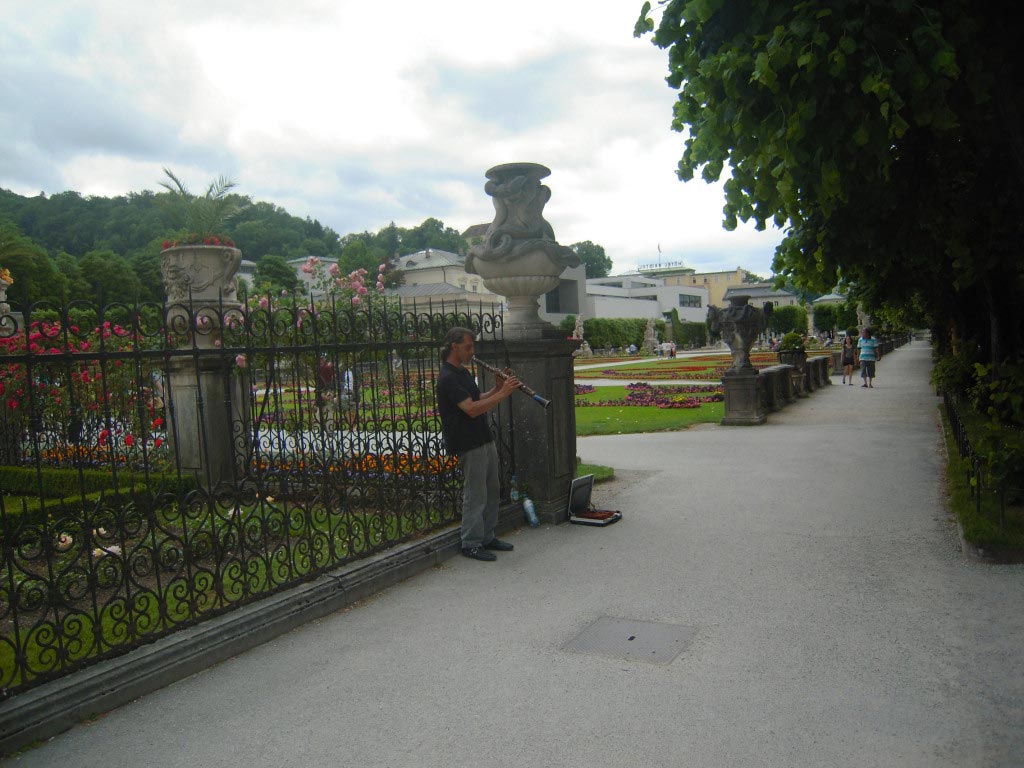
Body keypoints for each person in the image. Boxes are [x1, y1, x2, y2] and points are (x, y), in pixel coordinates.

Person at [436, 327, 521, 562]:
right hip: (467, 442)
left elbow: (476, 399)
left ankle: (486, 536)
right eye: (468, 347)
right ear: (454, 347)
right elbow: (471, 410)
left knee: (492, 489)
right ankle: (470, 542)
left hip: (483, 438)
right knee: (476, 493)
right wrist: (503, 393)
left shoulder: (461, 372)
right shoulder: (447, 378)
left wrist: (495, 388)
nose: (472, 351)